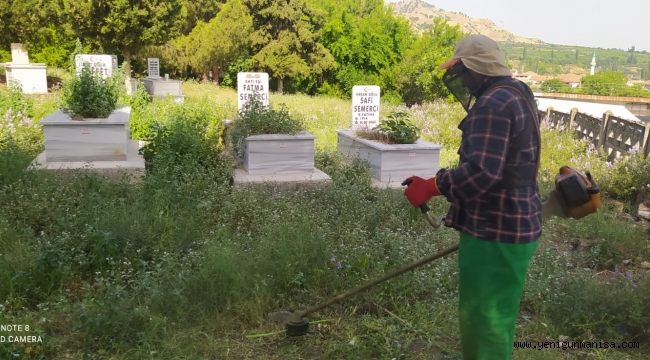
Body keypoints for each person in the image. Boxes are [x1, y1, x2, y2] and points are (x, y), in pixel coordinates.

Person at [403, 34, 541, 360]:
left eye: (463, 71)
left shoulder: (493, 105)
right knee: (497, 319)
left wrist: (432, 186)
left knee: (486, 321)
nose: (462, 78)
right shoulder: (517, 93)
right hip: (514, 223)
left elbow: (482, 173)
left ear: (477, 69)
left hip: (496, 229)